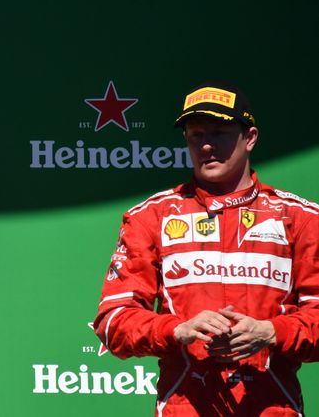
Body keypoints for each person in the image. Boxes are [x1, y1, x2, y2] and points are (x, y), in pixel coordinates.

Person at [93, 82, 319, 415]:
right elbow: (113, 323)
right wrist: (176, 330)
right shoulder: (150, 217)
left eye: (220, 133)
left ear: (250, 138)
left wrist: (272, 331)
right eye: (196, 135)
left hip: (273, 407)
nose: (208, 145)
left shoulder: (300, 218)